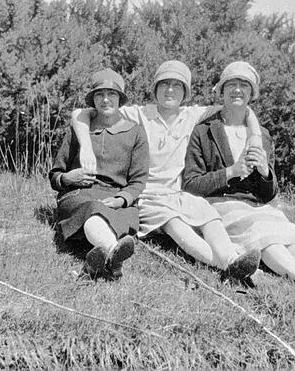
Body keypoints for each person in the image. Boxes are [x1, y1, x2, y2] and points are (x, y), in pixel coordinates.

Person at [183, 61, 295, 302]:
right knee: (269, 241)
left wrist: (264, 172)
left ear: (251, 93)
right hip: (222, 206)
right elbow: (191, 184)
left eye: (244, 86)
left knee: (289, 234)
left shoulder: (263, 136)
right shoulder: (204, 131)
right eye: (232, 85)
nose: (237, 90)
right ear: (221, 91)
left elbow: (268, 194)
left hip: (257, 207)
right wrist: (230, 172)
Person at [71, 61, 261, 281]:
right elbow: (81, 113)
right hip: (147, 195)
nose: (170, 90)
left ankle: (231, 259)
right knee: (175, 223)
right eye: (164, 84)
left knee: (207, 214)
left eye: (177, 85)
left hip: (178, 193)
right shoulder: (139, 114)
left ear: (185, 92)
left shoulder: (191, 115)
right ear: (155, 89)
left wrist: (255, 138)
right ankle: (226, 266)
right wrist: (85, 147)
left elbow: (242, 110)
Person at [48, 68, 149, 280]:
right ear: (93, 99)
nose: (105, 100)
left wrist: (122, 200)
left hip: (116, 200)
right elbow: (55, 174)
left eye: (111, 94)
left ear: (120, 99)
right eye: (99, 94)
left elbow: (138, 180)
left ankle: (101, 259)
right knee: (92, 208)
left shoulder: (135, 132)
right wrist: (68, 178)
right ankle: (114, 253)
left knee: (111, 213)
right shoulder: (80, 130)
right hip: (79, 196)